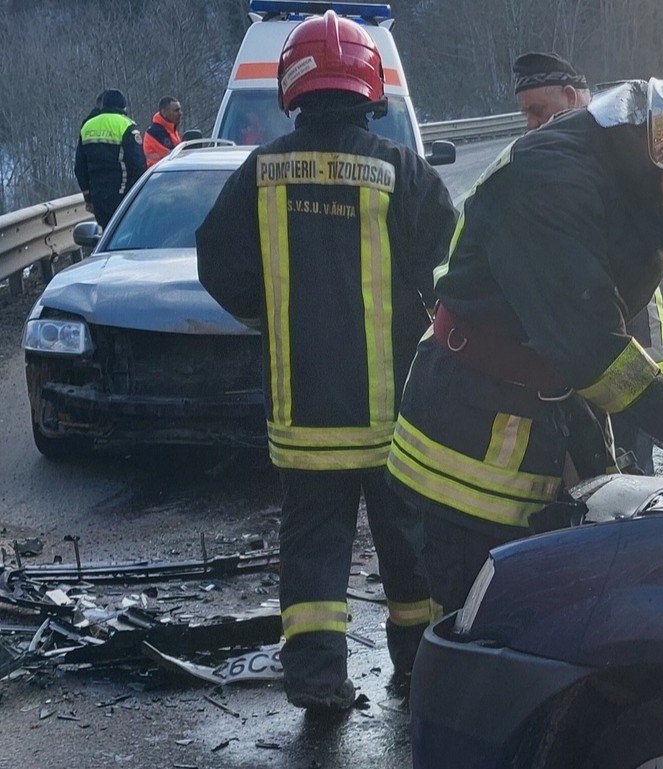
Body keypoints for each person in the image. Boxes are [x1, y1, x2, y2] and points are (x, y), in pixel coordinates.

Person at [388, 64, 663, 615]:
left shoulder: (611, 164)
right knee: (478, 619)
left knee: (551, 607)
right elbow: (593, 350)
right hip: (469, 440)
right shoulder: (555, 180)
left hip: (532, 408)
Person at [195, 11, 456, 712]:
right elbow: (451, 259)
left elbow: (216, 263)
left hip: (303, 411)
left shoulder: (260, 170)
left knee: (312, 546)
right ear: (370, 87)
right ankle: (420, 669)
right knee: (407, 545)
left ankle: (314, 680)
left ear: (293, 88)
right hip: (394, 415)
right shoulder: (401, 168)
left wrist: (270, 317)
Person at [513, 51, 663, 476]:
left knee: (632, 481)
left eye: (538, 110)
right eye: (525, 113)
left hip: (626, 359)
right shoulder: (561, 162)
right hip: (590, 363)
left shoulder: (616, 153)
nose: (530, 124)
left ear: (570, 96)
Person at [74, 89, 146, 228]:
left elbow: (79, 167)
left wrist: (89, 197)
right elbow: (138, 164)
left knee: (106, 234)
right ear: (123, 106)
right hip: (123, 196)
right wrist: (138, 195)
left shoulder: (87, 127)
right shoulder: (126, 125)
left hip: (98, 197)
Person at [143, 96, 183, 167]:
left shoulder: (171, 128)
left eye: (180, 110)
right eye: (176, 111)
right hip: (158, 174)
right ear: (164, 112)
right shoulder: (155, 132)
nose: (180, 113)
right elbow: (173, 156)